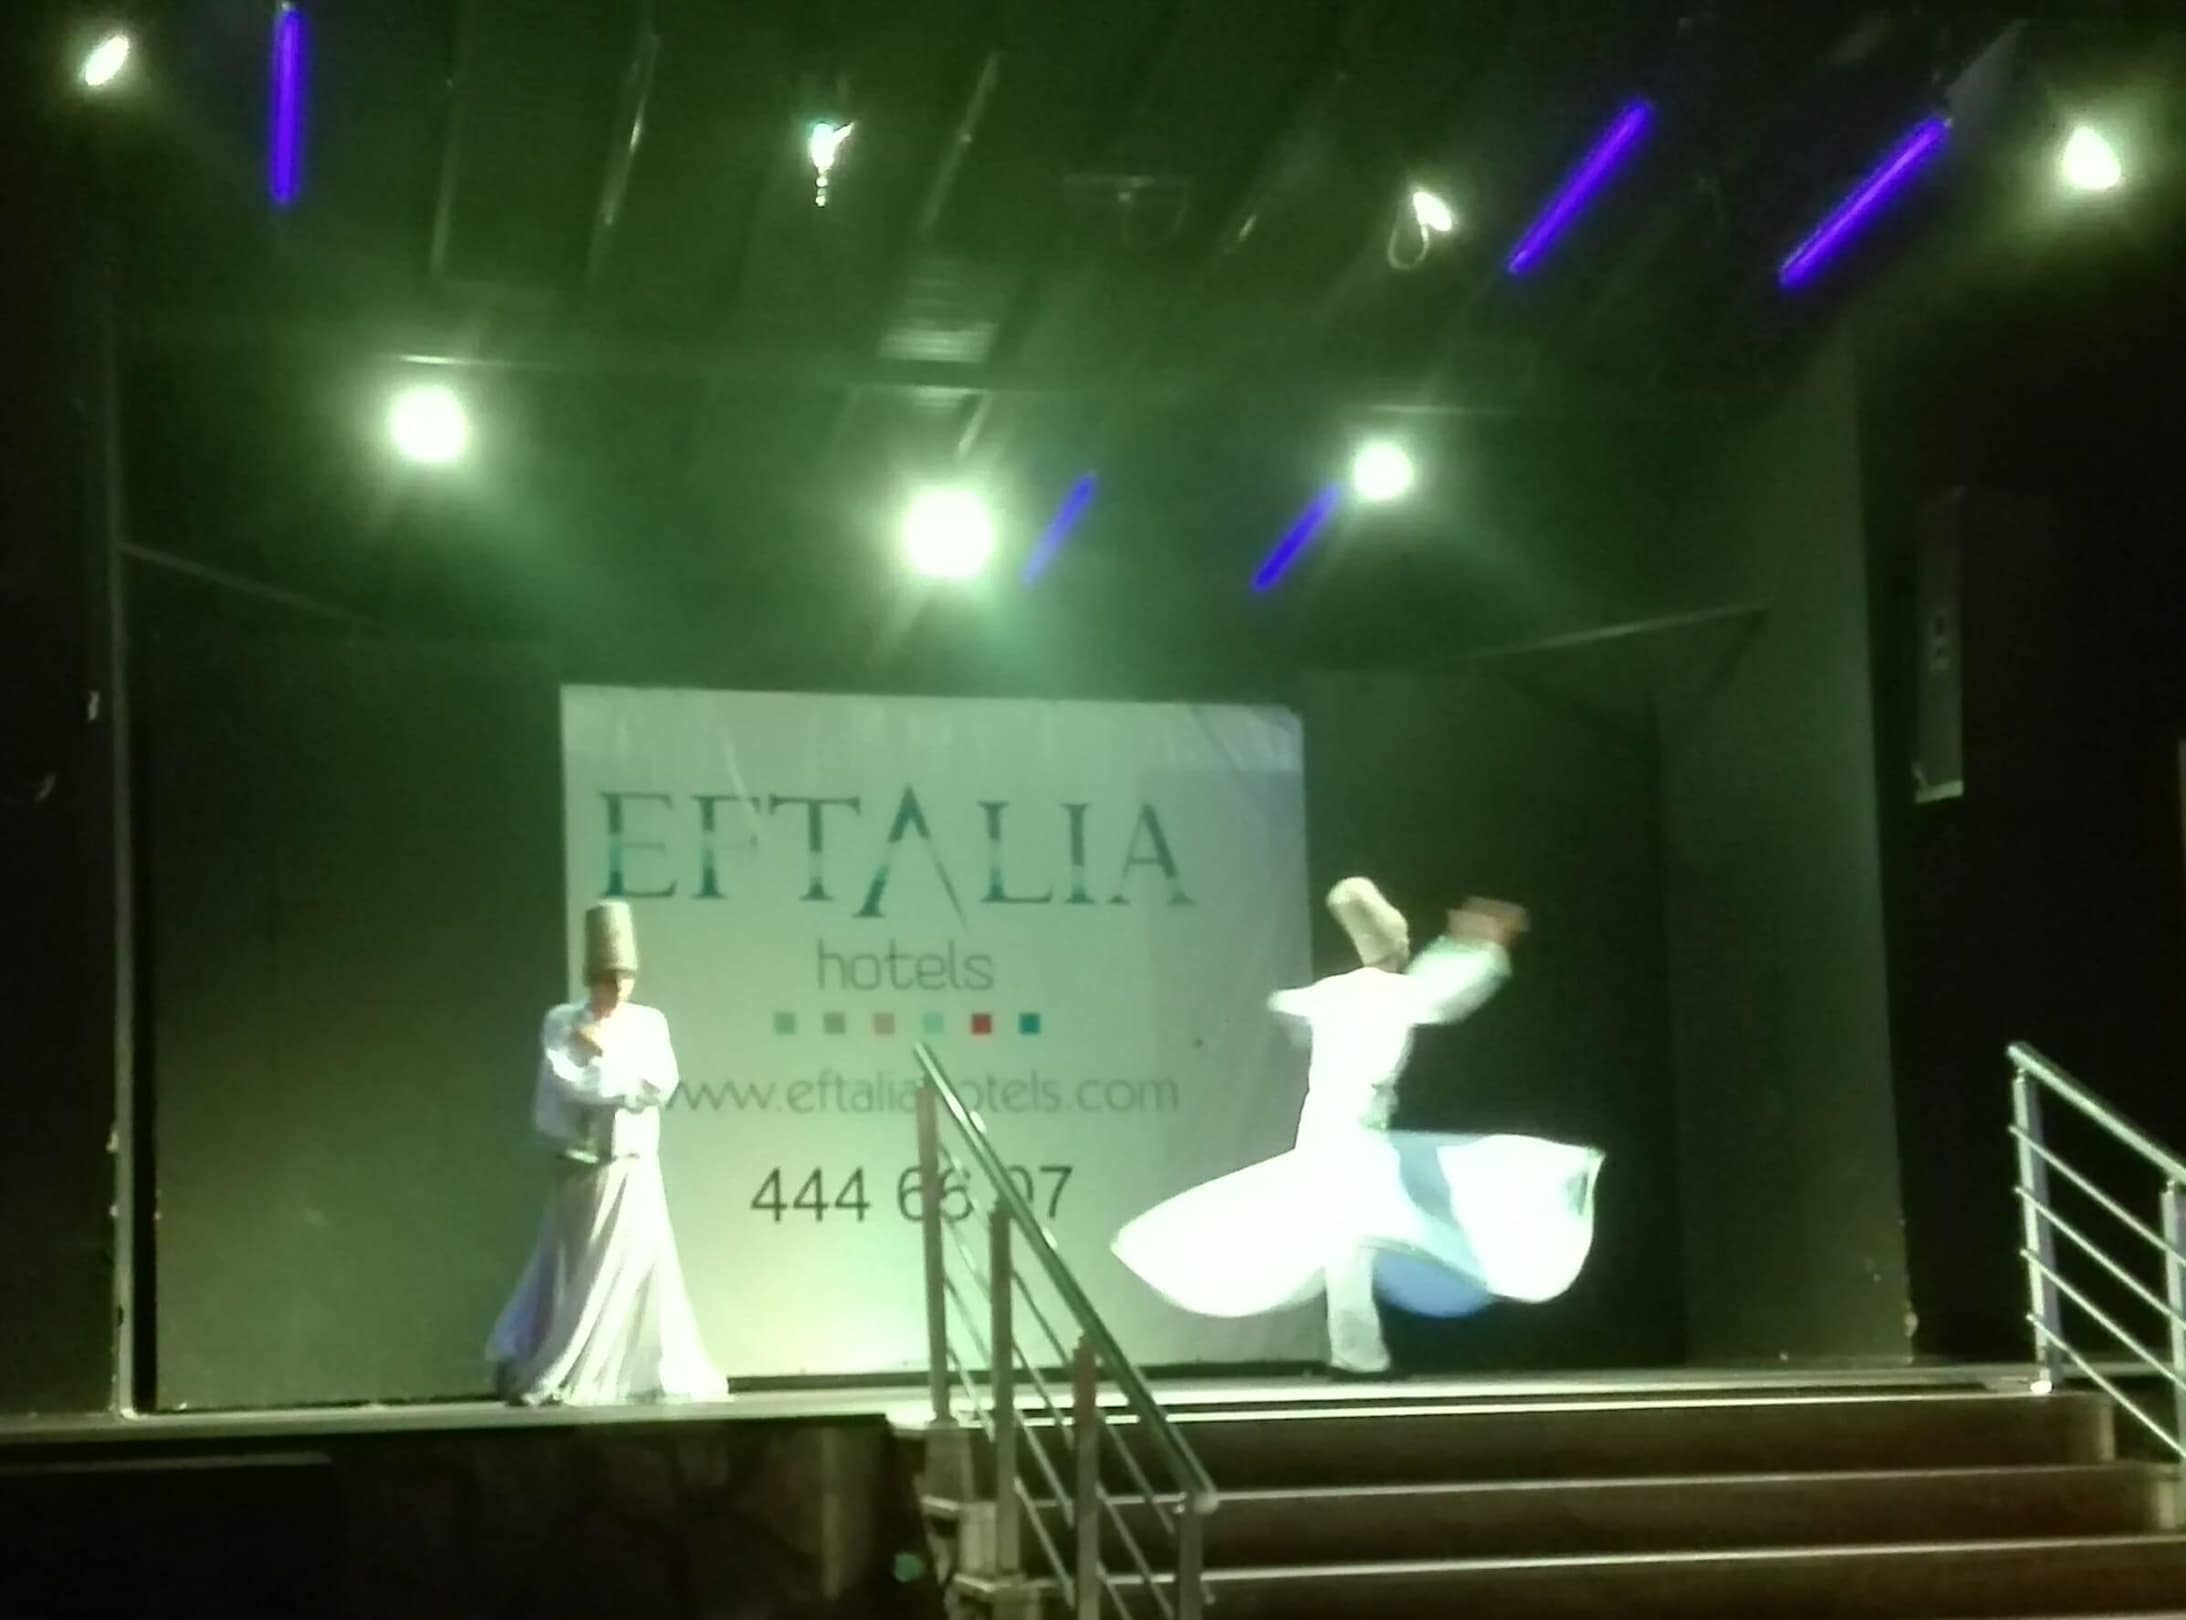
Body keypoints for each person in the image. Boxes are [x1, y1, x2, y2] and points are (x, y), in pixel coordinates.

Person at [1112, 878, 1603, 1377]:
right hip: (1355, 1135)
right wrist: (1486, 945)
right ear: (1395, 943)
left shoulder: (1336, 992)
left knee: (1350, 1241)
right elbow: (1449, 994)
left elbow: (1296, 1007)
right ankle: (1360, 1355)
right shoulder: (1396, 994)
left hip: (1327, 1130)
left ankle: (1357, 1354)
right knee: (1372, 1236)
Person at [486, 900, 726, 1404]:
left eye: (625, 978)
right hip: (582, 1169)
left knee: (635, 1265)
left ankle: (634, 1370)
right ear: (591, 977)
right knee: (577, 1269)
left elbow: (659, 1083)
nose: (617, 989)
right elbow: (569, 1083)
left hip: (633, 1165)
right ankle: (543, 1357)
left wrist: (605, 1053)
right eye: (608, 979)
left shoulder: (649, 1023)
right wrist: (615, 1076)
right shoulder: (562, 1021)